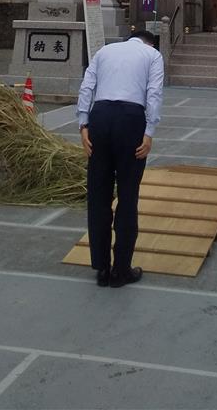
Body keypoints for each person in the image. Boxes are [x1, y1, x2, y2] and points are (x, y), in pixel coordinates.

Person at [77, 30, 164, 288]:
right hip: (131, 119)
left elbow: (87, 85)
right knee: (127, 195)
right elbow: (154, 93)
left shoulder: (105, 51)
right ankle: (121, 270)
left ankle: (102, 268)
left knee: (99, 195)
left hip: (100, 117)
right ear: (150, 42)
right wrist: (149, 132)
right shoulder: (153, 55)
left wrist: (83, 124)